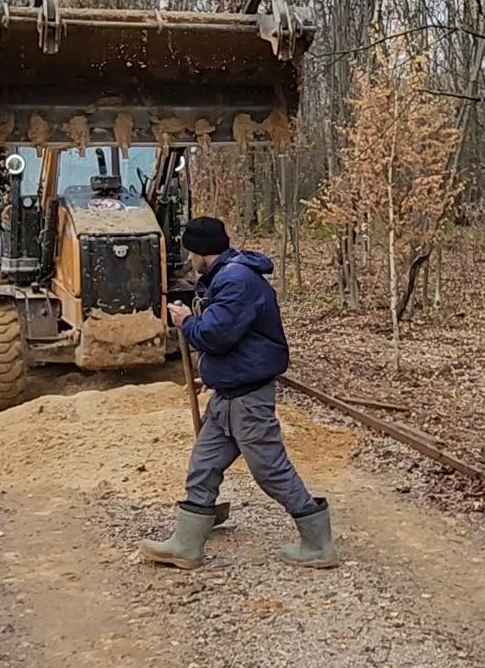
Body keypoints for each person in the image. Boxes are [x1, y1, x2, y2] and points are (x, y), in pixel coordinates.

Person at [139, 216, 338, 570]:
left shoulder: (236, 281)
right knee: (204, 463)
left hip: (248, 400)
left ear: (201, 251)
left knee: (271, 471)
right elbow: (232, 339)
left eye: (191, 252)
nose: (190, 259)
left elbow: (215, 335)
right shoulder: (228, 276)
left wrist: (186, 320)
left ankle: (318, 543)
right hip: (228, 395)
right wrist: (214, 376)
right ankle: (186, 545)